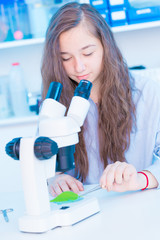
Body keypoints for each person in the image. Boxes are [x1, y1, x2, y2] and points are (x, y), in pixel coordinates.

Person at [41, 2, 160, 197]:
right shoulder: (56, 103)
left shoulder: (148, 93)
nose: (78, 67)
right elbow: (45, 162)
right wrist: (55, 178)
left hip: (140, 206)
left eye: (88, 53)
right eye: (65, 58)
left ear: (106, 46)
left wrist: (141, 178)